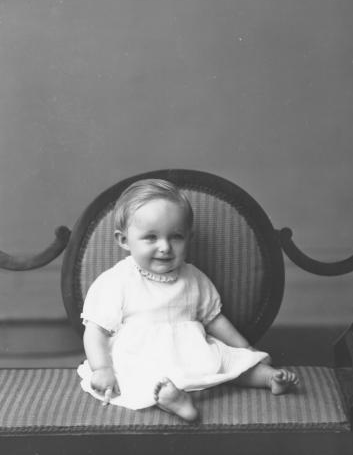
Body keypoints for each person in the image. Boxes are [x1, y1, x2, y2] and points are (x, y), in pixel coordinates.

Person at [77, 179, 298, 421]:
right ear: (123, 241)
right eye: (151, 237)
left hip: (192, 351)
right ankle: (173, 401)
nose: (165, 247)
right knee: (137, 380)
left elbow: (214, 320)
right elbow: (95, 330)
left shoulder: (193, 277)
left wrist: (245, 348)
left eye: (176, 237)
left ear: (188, 238)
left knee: (230, 361)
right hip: (141, 356)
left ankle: (269, 378)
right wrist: (102, 368)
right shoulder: (117, 280)